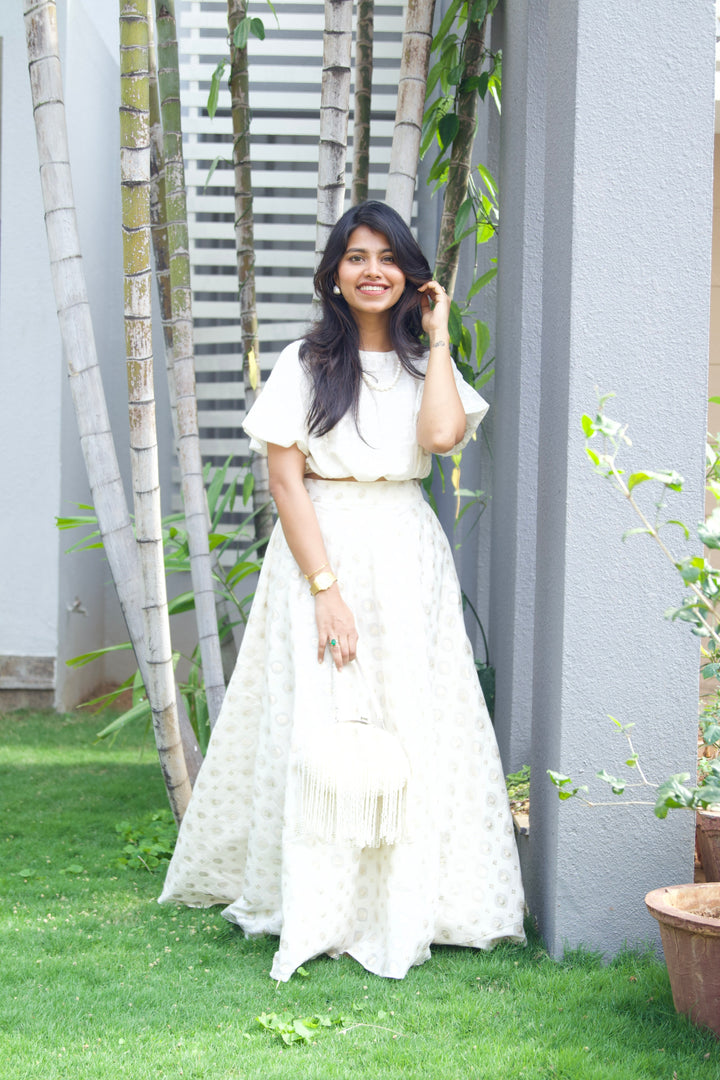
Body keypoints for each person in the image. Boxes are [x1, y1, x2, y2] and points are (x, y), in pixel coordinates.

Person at [159, 200, 526, 981]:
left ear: (410, 274)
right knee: (325, 721)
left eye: (387, 258)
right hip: (322, 550)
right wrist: (326, 589)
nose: (372, 271)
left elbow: (439, 439)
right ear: (334, 273)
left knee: (411, 720)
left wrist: (438, 336)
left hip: (407, 555)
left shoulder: (431, 365)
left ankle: (417, 902)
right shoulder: (304, 363)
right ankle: (321, 904)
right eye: (356, 257)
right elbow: (287, 483)